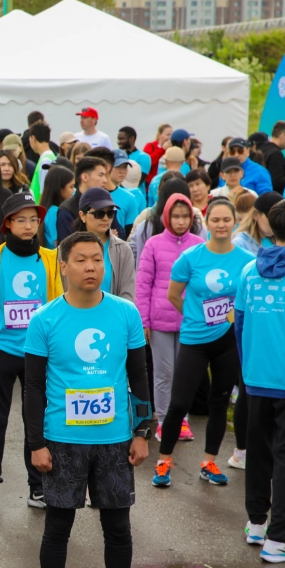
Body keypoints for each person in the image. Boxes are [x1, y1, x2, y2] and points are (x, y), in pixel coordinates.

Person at [25, 231, 152, 568]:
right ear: (63, 266)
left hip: (115, 440)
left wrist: (142, 430)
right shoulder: (44, 320)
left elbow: (139, 375)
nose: (91, 268)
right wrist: (35, 443)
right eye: (81, 260)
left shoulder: (125, 314)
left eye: (97, 260)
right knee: (57, 528)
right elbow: (32, 388)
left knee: (118, 528)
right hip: (62, 440)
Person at [0, 192, 62, 515]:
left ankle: (38, 485)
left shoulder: (50, 259)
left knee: (37, 423)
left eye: (33, 219)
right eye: (21, 219)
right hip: (2, 351)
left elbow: (60, 306)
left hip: (38, 354)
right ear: (7, 224)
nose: (28, 225)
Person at [151, 198, 251, 489]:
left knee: (219, 403)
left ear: (234, 223)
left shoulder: (246, 261)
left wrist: (230, 317)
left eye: (226, 220)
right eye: (215, 220)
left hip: (228, 341)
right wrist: (194, 316)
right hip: (194, 339)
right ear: (207, 223)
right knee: (179, 402)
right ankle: (164, 461)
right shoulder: (191, 258)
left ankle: (209, 461)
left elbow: (245, 301)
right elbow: (173, 295)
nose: (221, 225)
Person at [234, 200, 285, 561]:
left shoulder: (249, 270)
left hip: (256, 378)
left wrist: (247, 370)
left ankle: (257, 524)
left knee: (258, 453)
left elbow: (240, 323)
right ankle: (279, 539)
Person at [137, 193, 203, 442]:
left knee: (184, 374)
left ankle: (182, 421)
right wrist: (143, 320)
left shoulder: (199, 243)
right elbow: (143, 284)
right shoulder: (153, 244)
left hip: (191, 320)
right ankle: (164, 420)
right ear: (166, 217)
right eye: (175, 216)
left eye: (185, 216)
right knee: (164, 373)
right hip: (160, 321)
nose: (181, 221)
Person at [75, 187, 137, 301]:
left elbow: (128, 295)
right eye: (99, 214)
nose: (105, 218)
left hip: (114, 317)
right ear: (82, 215)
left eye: (110, 213)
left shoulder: (124, 250)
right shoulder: (67, 249)